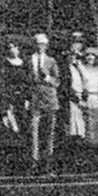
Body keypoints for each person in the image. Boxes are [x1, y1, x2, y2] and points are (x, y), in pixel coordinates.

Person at [27, 33, 59, 174]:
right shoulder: (29, 60)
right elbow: (26, 80)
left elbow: (57, 81)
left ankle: (48, 162)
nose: (41, 47)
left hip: (49, 97)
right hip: (35, 97)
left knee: (49, 131)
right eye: (38, 44)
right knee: (34, 131)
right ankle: (34, 162)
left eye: (43, 44)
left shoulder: (51, 61)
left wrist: (47, 76)